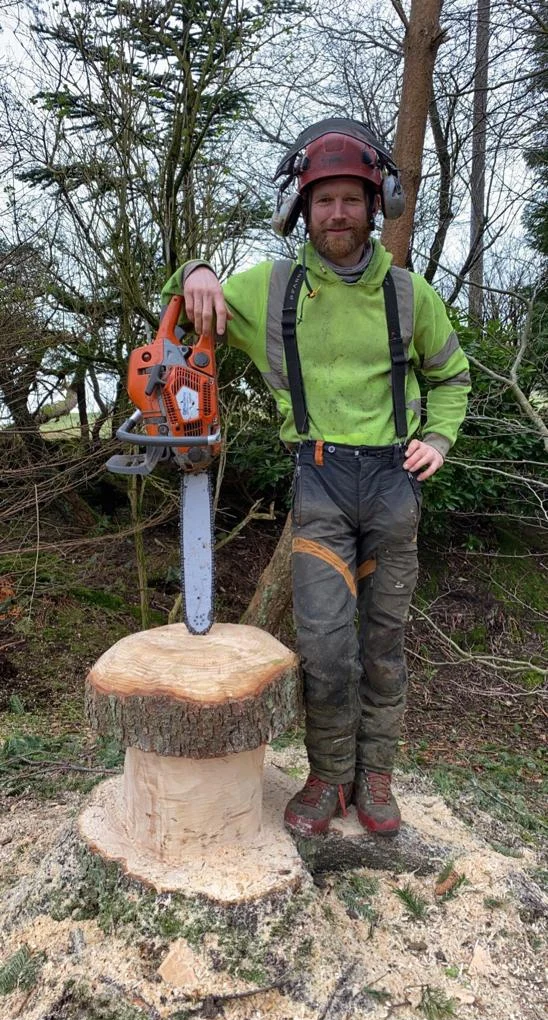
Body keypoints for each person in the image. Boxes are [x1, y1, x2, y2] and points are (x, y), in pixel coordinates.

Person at [161, 118, 471, 838]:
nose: (338, 213)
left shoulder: (407, 294)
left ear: (376, 207)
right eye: (323, 199)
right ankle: (330, 777)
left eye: (351, 200)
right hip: (321, 482)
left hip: (394, 486)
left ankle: (378, 778)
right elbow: (183, 306)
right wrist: (195, 272)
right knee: (327, 649)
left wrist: (439, 436)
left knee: (384, 644)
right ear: (301, 209)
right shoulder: (271, 291)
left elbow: (451, 375)